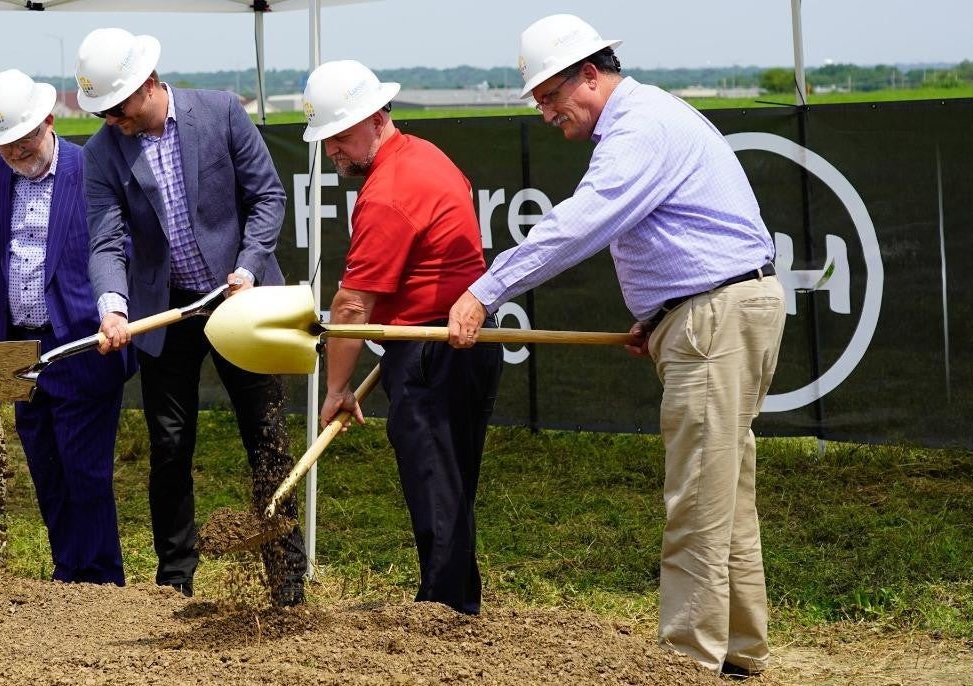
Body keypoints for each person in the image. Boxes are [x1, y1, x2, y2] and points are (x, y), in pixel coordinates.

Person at [446, 15, 784, 678]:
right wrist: (661, 318)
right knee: (722, 495)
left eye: (550, 96)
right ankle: (740, 655)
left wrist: (488, 289)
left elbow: (583, 222)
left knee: (695, 498)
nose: (546, 113)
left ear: (590, 75)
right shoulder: (647, 119)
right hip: (715, 313)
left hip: (715, 316)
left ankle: (686, 663)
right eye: (539, 100)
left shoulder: (637, 129)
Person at [76, 27, 305, 605]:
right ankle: (175, 577)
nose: (111, 119)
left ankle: (286, 575)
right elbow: (105, 240)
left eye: (117, 106)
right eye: (101, 110)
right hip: (167, 311)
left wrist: (249, 266)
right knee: (171, 443)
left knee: (267, 435)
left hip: (241, 303)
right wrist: (113, 305)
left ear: (148, 83)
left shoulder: (222, 112)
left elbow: (268, 196)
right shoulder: (103, 151)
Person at [303, 60, 504, 614]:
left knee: (437, 482)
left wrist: (337, 389)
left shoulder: (388, 192)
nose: (334, 152)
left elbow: (352, 304)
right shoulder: (426, 154)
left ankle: (443, 610)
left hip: (432, 349)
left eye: (340, 137)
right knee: (452, 482)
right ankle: (456, 601)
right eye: (325, 141)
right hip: (457, 341)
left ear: (375, 118)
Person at [0, 70, 134, 584]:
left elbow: (120, 246)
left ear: (48, 120)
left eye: (21, 144)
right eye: (3, 147)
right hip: (17, 350)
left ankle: (101, 580)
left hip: (82, 342)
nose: (14, 156)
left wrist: (116, 310)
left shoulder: (89, 169)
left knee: (85, 470)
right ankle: (68, 571)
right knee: (46, 467)